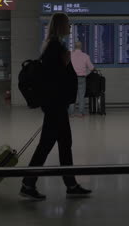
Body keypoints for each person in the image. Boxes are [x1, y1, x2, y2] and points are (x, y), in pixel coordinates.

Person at [20, 13, 92, 200]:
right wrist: (65, 63)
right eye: (68, 23)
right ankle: (29, 184)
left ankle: (70, 184)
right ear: (60, 26)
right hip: (56, 106)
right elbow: (54, 78)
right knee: (48, 145)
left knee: (64, 144)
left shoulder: (53, 46)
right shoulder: (54, 47)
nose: (70, 26)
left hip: (55, 105)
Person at [68, 41, 94, 117]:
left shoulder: (70, 55)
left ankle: (71, 113)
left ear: (74, 47)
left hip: (71, 78)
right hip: (82, 78)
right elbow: (92, 68)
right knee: (81, 96)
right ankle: (81, 113)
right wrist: (86, 73)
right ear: (81, 47)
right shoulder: (85, 56)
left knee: (72, 95)